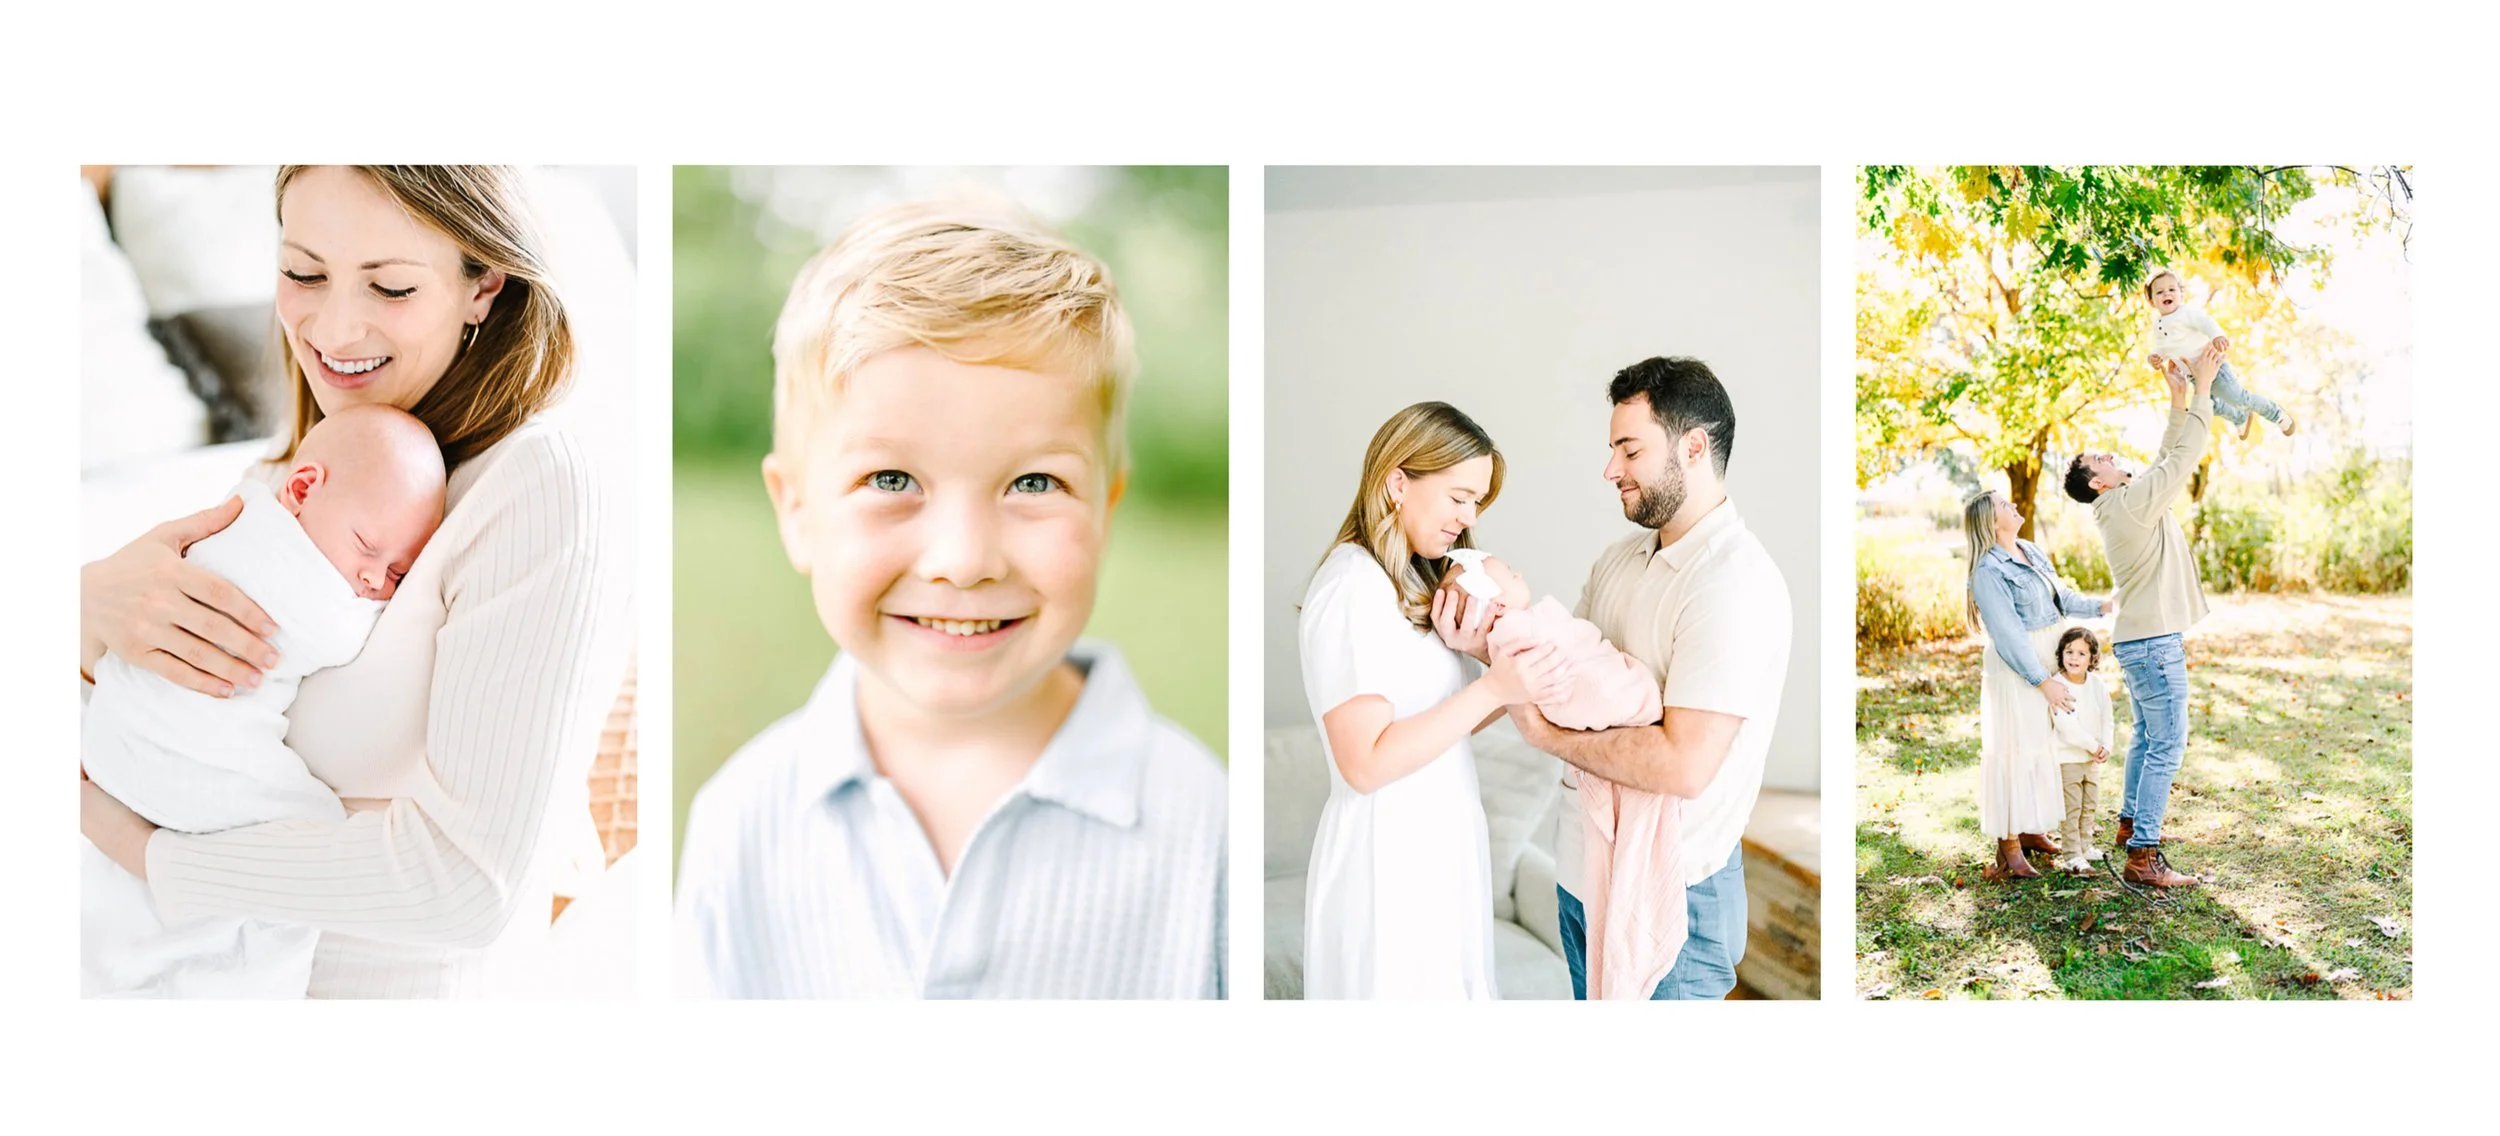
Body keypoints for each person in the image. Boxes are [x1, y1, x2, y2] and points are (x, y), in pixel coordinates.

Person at [78, 165, 630, 998]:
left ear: (483, 284)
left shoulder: (539, 483)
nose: (334, 327)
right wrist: (82, 613)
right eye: (303, 273)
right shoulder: (285, 483)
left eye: (392, 286)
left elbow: (465, 885)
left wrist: (154, 857)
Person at [674, 200, 1225, 999]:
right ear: (796, 512)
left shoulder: (1206, 828)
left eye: (1035, 482)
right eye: (892, 481)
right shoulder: (742, 822)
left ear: (1105, 511)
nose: (964, 561)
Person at [1453, 357, 1790, 1001]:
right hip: (1579, 876)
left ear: (1694, 447)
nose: (1611, 470)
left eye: (1629, 450)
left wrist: (1544, 736)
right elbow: (1554, 681)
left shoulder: (1732, 584)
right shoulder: (1618, 563)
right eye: (1612, 449)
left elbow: (1683, 766)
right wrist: (1484, 648)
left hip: (1674, 892)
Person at [84, 407, 446, 997]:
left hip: (113, 739)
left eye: (398, 575)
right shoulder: (294, 570)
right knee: (317, 834)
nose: (374, 582)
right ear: (302, 488)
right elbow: (338, 634)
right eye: (367, 548)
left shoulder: (238, 510)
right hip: (183, 757)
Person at [1298, 401, 1566, 999]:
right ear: (1397, 482)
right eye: (1458, 496)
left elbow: (1441, 723)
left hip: (1438, 846)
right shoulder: (1351, 587)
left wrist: (1497, 670)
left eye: (1477, 501)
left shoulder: (1413, 582)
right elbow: (1364, 763)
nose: (1469, 516)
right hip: (1386, 861)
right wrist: (1494, 686)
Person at [1433, 550, 1681, 999]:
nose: (1518, 570)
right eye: (1507, 573)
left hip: (1640, 854)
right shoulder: (1516, 634)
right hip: (1574, 871)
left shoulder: (1725, 577)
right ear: (1498, 608)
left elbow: (1578, 651)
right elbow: (1552, 685)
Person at [2063, 342, 2226, 889]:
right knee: (2168, 743)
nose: (2108, 455)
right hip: (2153, 643)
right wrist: (2203, 388)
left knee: (2148, 739)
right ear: (2097, 483)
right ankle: (2144, 854)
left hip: (2140, 641)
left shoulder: (2123, 499)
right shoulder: (2129, 501)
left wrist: (2177, 399)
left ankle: (2131, 822)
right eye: (2099, 459)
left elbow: (2161, 460)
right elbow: (2180, 462)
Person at [1962, 488, 2110, 880]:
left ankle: (2030, 831)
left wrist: (2101, 606)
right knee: (2015, 746)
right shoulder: (1987, 571)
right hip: (2018, 668)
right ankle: (2008, 844)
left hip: (2047, 655)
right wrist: (2043, 681)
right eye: (2003, 505)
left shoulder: (2029, 549)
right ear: (1992, 523)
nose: (2013, 505)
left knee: (2043, 745)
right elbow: (2008, 635)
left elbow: (2060, 596)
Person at [2142, 268, 2293, 441]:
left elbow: (2205, 322)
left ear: (2180, 293)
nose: (2166, 294)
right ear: (2152, 301)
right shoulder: (2159, 325)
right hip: (2195, 376)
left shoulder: (2185, 313)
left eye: (2172, 290)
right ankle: (2240, 417)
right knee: (2210, 407)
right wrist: (2153, 358)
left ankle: (2275, 413)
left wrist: (2217, 336)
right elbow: (2161, 347)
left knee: (2239, 398)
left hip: (2213, 367)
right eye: (2159, 292)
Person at [2047, 626, 2115, 873]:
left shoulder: (2097, 686)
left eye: (2081, 653)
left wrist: (2106, 746)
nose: (2074, 658)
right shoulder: (2057, 685)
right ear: (2061, 653)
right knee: (2072, 807)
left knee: (2089, 806)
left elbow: (2108, 718)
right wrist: (2094, 746)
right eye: (2069, 651)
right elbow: (2066, 727)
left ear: (2092, 658)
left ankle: (2086, 846)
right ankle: (2072, 854)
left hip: (2092, 760)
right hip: (2069, 758)